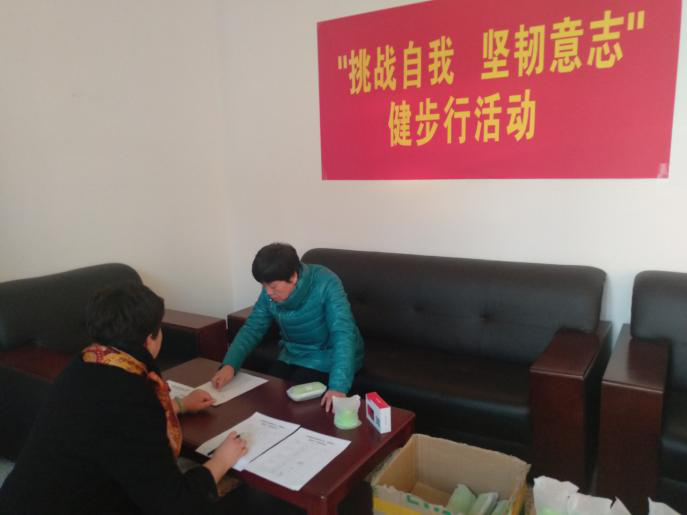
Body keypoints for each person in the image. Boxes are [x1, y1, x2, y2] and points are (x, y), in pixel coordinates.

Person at [0, 281, 247, 515]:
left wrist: (180, 405)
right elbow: (173, 504)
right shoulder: (131, 396)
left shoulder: (85, 363)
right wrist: (221, 461)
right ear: (149, 339)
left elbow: (108, 424)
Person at [211, 243, 364, 412]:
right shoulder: (270, 293)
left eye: (273, 287)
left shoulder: (327, 282)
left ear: (293, 277)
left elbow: (343, 334)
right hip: (293, 353)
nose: (268, 292)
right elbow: (253, 327)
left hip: (327, 355)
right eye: (263, 286)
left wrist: (338, 387)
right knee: (270, 393)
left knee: (296, 406)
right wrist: (230, 364)